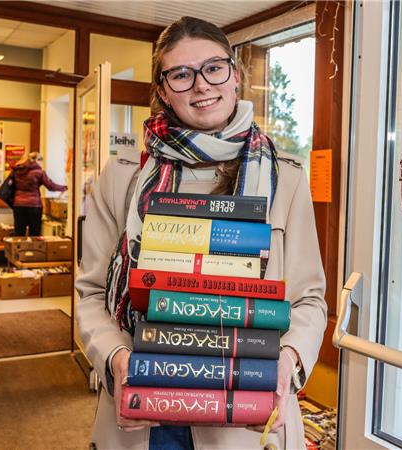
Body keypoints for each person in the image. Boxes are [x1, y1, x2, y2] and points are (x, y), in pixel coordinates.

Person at [75, 16, 327, 450]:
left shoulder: (284, 179)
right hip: (144, 405)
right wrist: (116, 360)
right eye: (181, 74)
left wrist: (287, 363)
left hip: (245, 409)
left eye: (214, 67)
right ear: (162, 90)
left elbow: (308, 300)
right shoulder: (122, 180)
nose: (201, 85)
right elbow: (93, 293)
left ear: (235, 75)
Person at [9, 152, 66, 236]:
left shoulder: (16, 170)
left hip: (19, 205)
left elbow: (10, 185)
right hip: (34, 206)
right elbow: (50, 186)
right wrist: (64, 188)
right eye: (41, 161)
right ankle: (33, 249)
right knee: (34, 234)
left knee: (19, 233)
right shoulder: (39, 172)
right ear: (36, 160)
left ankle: (18, 249)